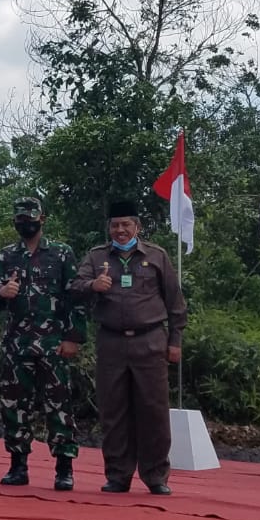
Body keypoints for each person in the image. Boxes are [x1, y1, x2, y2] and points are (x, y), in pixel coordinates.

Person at [71, 200, 187, 496]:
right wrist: (92, 286)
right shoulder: (96, 257)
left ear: (138, 227)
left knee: (154, 410)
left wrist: (175, 342)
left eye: (126, 225)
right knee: (114, 410)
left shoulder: (157, 256)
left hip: (150, 341)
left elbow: (175, 303)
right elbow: (74, 286)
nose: (120, 230)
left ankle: (156, 475)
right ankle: (118, 475)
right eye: (115, 225)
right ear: (108, 228)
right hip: (111, 342)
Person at [0, 196, 87, 491]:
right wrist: (1, 290)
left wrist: (73, 337)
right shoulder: (5, 256)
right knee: (14, 405)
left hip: (53, 343)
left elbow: (75, 298)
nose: (25, 223)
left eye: (30, 218)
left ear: (42, 219)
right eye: (20, 219)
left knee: (59, 405)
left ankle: (64, 468)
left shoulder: (61, 253)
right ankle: (18, 466)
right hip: (17, 344)